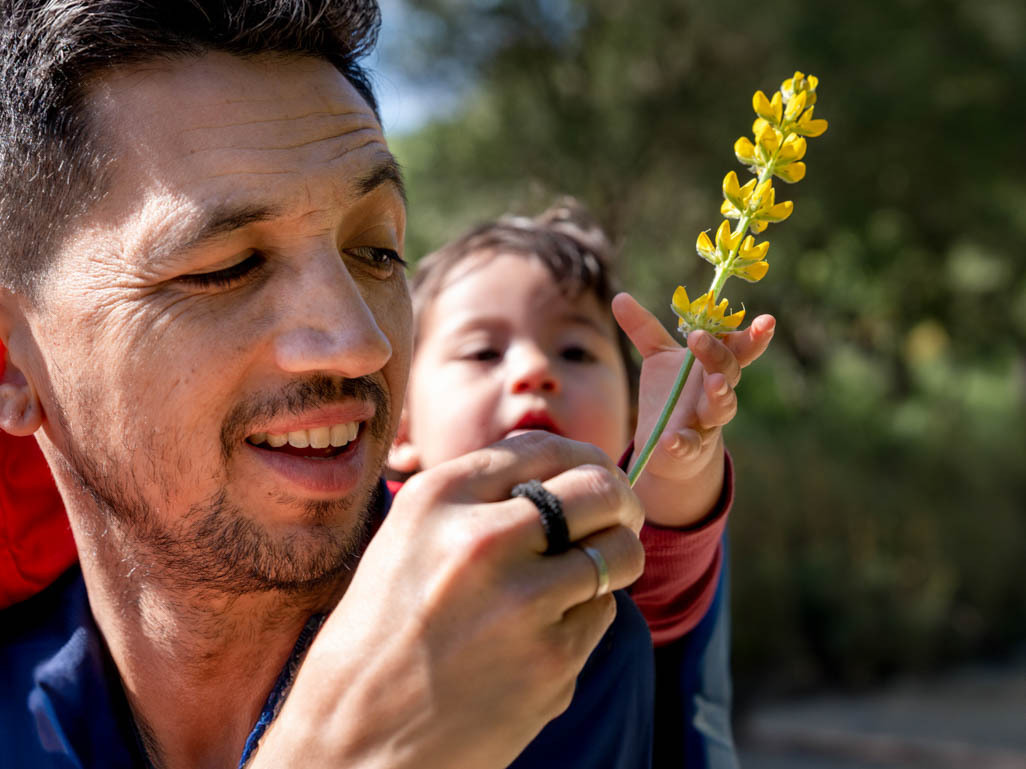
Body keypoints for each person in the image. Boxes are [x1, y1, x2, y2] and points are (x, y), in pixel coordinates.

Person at [0, 2, 757, 767]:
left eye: (376, 253)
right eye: (225, 267)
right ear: (10, 364)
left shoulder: (548, 666)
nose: (361, 343)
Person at [387, 201, 773, 767]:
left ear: (626, 426)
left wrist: (668, 462)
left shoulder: (604, 533)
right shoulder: (367, 533)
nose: (534, 371)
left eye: (574, 351)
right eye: (483, 351)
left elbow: (660, 586)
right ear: (400, 427)